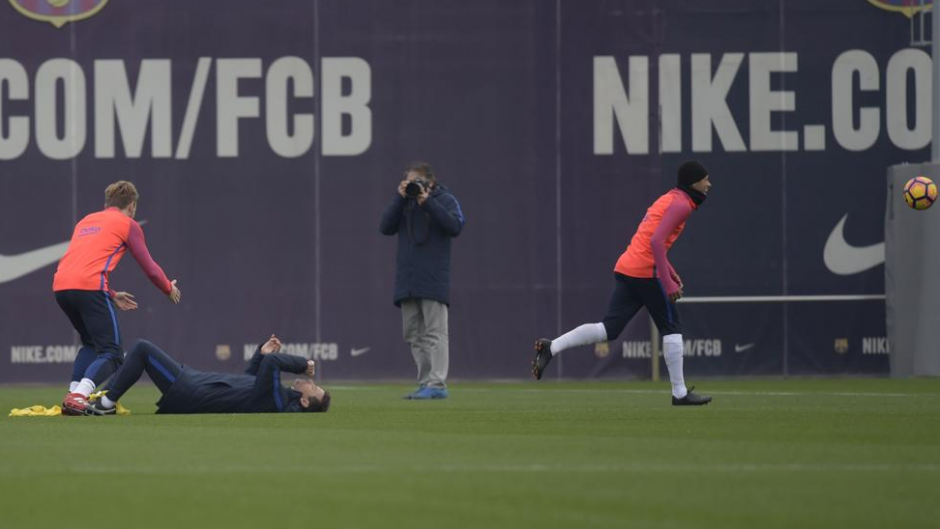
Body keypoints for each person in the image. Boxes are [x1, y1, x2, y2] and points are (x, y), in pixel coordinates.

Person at [532, 161, 714, 406]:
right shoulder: (682, 205)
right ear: (694, 182)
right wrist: (668, 283)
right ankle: (679, 392)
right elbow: (657, 242)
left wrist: (670, 271)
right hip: (645, 273)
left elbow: (649, 239)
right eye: (705, 179)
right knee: (672, 329)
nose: (708, 184)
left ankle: (551, 347)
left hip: (628, 267)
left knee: (608, 329)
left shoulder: (669, 198)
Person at [53, 181, 182, 415]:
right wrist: (167, 288)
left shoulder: (86, 221)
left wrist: (111, 294)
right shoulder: (127, 224)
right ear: (132, 206)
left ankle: (72, 395)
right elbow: (151, 269)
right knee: (112, 353)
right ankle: (79, 396)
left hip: (61, 287)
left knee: (91, 343)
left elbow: (75, 263)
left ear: (106, 204)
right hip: (90, 288)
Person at [380, 162, 465, 400]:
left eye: (416, 181)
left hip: (433, 279)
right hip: (407, 280)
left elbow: (455, 226)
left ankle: (437, 383)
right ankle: (426, 381)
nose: (413, 186)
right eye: (409, 181)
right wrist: (400, 198)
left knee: (435, 333)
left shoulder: (445, 199)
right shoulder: (404, 203)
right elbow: (385, 227)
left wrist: (427, 201)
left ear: (430, 182)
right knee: (413, 334)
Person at [84, 334, 331, 415]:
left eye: (314, 387)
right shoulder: (274, 396)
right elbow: (250, 378)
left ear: (305, 401)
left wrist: (301, 364)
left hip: (191, 390)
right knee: (139, 352)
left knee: (141, 349)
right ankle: (104, 399)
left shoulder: (276, 400)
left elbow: (274, 364)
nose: (311, 381)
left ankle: (105, 403)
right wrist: (261, 354)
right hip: (192, 383)